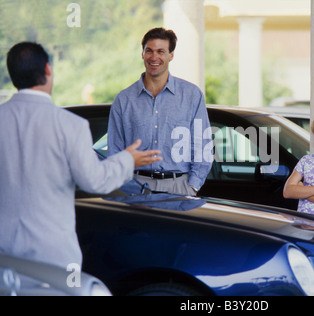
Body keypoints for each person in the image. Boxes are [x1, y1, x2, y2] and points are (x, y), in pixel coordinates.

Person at [0, 42, 162, 269]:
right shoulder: (70, 125)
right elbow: (94, 180)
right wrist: (128, 159)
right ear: (48, 69)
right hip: (52, 255)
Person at [108, 27, 213, 196]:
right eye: (149, 51)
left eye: (161, 51)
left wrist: (192, 186)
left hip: (179, 188)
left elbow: (203, 147)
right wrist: (122, 187)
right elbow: (115, 151)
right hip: (135, 188)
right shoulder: (124, 100)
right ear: (142, 54)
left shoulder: (192, 95)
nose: (154, 57)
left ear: (171, 55)